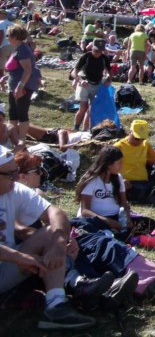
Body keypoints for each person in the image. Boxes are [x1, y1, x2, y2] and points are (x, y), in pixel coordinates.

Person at [0, 145, 96, 330]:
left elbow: (55, 213)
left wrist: (59, 244)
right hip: (10, 260)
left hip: (6, 268)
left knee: (53, 232)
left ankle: (56, 305)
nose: (15, 178)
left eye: (16, 172)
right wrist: (21, 257)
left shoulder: (14, 191)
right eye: (9, 174)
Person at [75, 145, 130, 232]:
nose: (121, 166)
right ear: (108, 164)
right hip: (95, 219)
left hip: (115, 217)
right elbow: (85, 211)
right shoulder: (92, 180)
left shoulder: (118, 178)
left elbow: (124, 203)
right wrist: (108, 221)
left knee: (147, 223)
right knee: (101, 231)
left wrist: (128, 218)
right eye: (119, 163)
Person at [4, 25, 41, 143]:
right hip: (14, 85)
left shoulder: (23, 49)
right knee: (13, 114)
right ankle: (13, 137)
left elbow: (28, 69)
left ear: (14, 37)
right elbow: (17, 68)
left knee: (21, 114)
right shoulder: (18, 48)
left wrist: (20, 86)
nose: (7, 38)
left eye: (8, 35)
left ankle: (21, 139)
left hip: (23, 87)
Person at [71, 38, 111, 131]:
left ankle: (87, 130)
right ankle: (76, 127)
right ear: (92, 48)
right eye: (96, 50)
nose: (97, 53)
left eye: (100, 51)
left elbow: (109, 71)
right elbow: (74, 72)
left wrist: (108, 78)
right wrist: (80, 80)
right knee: (83, 108)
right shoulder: (86, 56)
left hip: (97, 84)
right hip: (85, 83)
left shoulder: (104, 58)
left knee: (92, 109)